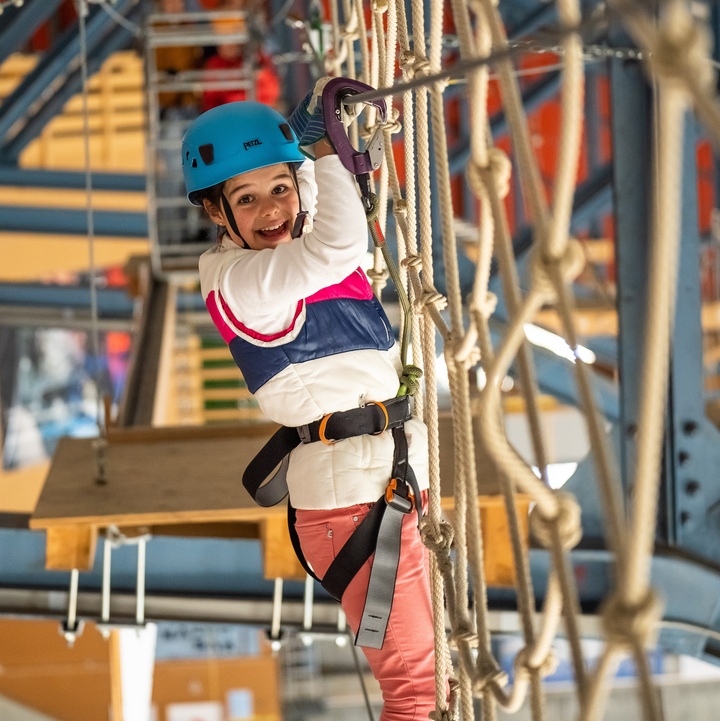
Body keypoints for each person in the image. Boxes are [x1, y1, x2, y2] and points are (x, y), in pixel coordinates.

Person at [183, 89, 437, 721]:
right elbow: (338, 247)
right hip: (357, 510)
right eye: (246, 199)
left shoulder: (279, 255)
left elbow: (320, 212)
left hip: (370, 494)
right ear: (218, 214)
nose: (272, 209)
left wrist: (309, 149)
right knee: (416, 693)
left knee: (423, 687)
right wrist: (319, 148)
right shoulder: (245, 282)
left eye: (279, 187)